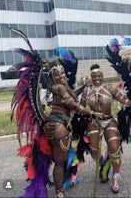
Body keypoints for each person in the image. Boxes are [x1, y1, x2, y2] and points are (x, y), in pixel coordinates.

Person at [43, 59, 103, 198]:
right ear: (52, 77)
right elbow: (74, 106)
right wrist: (91, 113)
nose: (62, 76)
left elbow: (72, 96)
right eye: (58, 74)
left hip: (57, 124)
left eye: (63, 73)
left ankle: (60, 188)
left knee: (61, 160)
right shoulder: (60, 88)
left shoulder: (60, 87)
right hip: (59, 126)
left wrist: (83, 87)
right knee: (60, 162)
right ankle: (59, 191)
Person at [79, 63, 131, 193]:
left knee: (114, 148)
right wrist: (88, 113)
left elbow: (123, 99)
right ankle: (104, 166)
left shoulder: (110, 88)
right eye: (94, 76)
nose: (97, 78)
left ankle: (115, 175)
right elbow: (80, 107)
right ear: (91, 77)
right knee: (94, 151)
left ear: (102, 77)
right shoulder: (86, 91)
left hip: (108, 121)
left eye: (99, 76)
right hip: (93, 122)